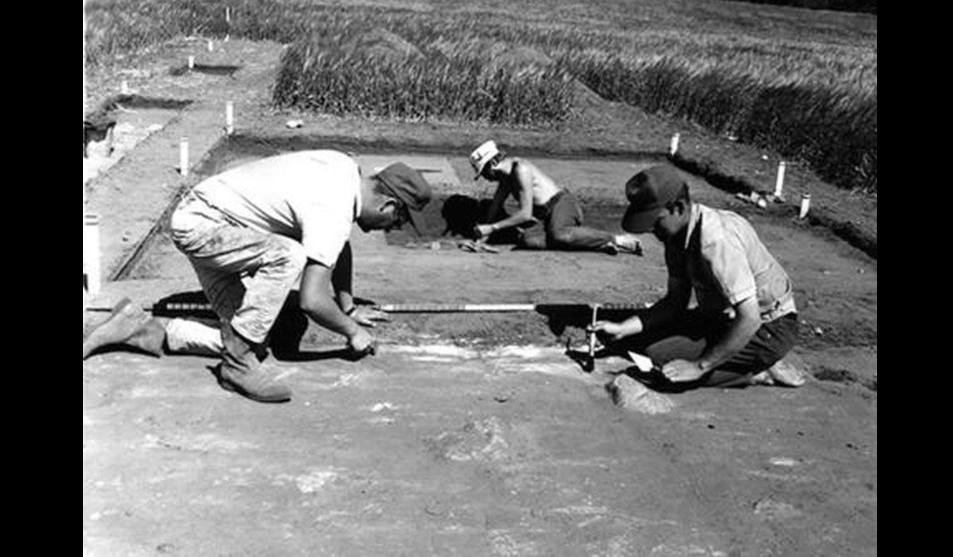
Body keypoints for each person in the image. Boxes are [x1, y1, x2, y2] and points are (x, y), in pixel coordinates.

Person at [82, 150, 433, 404]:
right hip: (206, 226)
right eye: (398, 222)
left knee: (250, 339)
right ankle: (235, 367)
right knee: (289, 256)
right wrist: (352, 332)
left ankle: (137, 327)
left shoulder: (345, 170)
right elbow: (312, 300)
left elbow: (335, 245)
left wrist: (347, 305)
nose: (392, 228)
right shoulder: (336, 208)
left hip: (212, 220)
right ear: (389, 206)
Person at [589, 165, 805, 389]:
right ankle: (743, 361)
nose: (651, 230)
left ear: (679, 207)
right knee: (647, 345)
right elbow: (675, 302)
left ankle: (757, 371)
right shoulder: (675, 236)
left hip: (770, 327)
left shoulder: (716, 241)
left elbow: (750, 318)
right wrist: (623, 327)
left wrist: (700, 366)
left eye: (655, 222)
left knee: (665, 366)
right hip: (725, 318)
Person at [468, 140, 643, 254]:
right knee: (527, 240)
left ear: (492, 164)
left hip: (562, 204)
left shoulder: (520, 169)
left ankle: (618, 240)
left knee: (559, 235)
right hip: (546, 216)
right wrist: (480, 239)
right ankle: (591, 242)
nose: (484, 177)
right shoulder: (505, 178)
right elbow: (495, 206)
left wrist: (493, 228)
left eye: (483, 172)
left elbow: (525, 214)